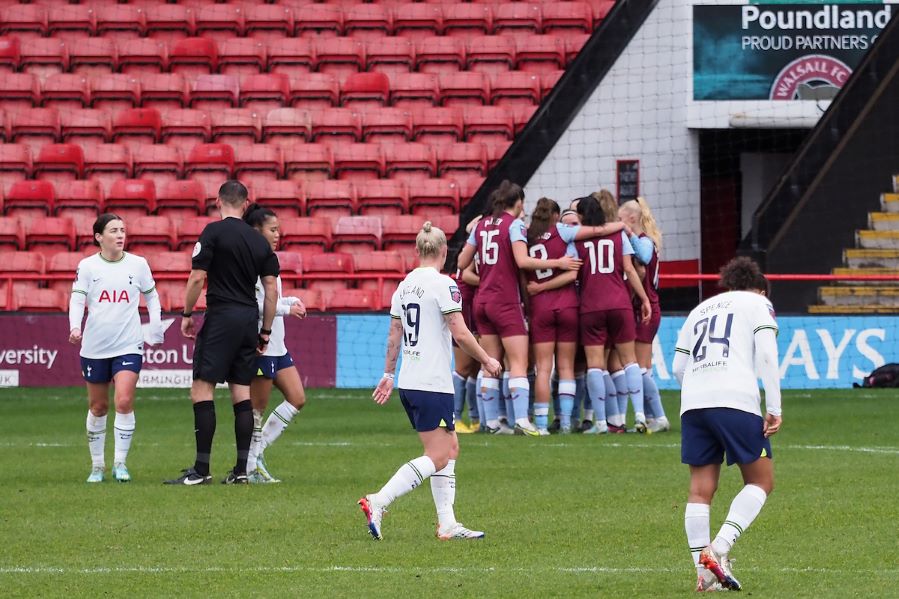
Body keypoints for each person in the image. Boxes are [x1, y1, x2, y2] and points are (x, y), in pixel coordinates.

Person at [358, 222, 502, 541]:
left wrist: (387, 374)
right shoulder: (444, 285)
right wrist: (487, 359)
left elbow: (395, 333)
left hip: (412, 381)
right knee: (437, 455)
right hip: (432, 382)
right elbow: (460, 331)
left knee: (450, 448)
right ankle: (378, 500)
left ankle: (447, 523)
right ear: (443, 252)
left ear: (417, 251)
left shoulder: (404, 285)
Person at [672, 257, 782, 592]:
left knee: (700, 488)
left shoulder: (700, 309)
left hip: (693, 402)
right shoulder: (759, 303)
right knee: (761, 481)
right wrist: (774, 406)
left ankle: (704, 574)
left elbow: (678, 366)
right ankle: (718, 549)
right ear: (760, 287)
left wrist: (699, 390)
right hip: (735, 399)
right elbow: (766, 354)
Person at [165, 181, 279, 485]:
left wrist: (187, 314)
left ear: (218, 202)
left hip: (221, 316)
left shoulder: (212, 233)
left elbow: (197, 277)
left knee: (202, 389)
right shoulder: (259, 242)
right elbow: (271, 291)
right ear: (245, 204)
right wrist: (265, 331)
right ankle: (241, 471)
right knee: (241, 391)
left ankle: (201, 470)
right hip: (247, 320)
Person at [456, 180, 581, 436]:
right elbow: (522, 260)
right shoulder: (514, 225)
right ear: (519, 202)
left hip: (483, 301)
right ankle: (522, 421)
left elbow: (460, 261)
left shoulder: (480, 225)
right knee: (518, 363)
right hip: (505, 301)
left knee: (489, 362)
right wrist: (559, 261)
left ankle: (491, 423)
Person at [69, 214, 164, 483]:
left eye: (123, 230)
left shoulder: (138, 264)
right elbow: (77, 301)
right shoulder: (87, 266)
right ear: (99, 237)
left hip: (128, 344)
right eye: (113, 230)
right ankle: (97, 465)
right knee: (98, 406)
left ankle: (120, 464)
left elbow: (152, 297)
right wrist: (75, 327)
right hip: (95, 346)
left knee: (123, 400)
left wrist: (155, 326)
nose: (120, 235)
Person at [524, 198, 626, 434]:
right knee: (567, 367)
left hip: (541, 307)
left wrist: (536, 290)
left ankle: (540, 424)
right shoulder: (562, 231)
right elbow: (593, 235)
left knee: (543, 368)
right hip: (568, 306)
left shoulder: (526, 236)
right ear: (555, 216)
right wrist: (621, 225)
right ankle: (567, 422)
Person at [241, 204, 308, 484]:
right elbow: (251, 305)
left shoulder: (268, 258)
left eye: (278, 228)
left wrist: (289, 301)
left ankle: (257, 455)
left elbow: (271, 299)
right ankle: (248, 467)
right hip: (261, 344)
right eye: (273, 229)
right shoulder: (248, 262)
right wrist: (285, 310)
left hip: (277, 345)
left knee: (297, 398)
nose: (278, 234)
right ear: (256, 231)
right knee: (256, 411)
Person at [574, 197, 651, 434]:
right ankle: (639, 417)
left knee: (595, 365)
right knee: (630, 361)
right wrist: (644, 299)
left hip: (591, 306)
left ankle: (599, 422)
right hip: (620, 304)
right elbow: (629, 268)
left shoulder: (577, 239)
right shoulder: (619, 236)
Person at [619, 197, 669, 433]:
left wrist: (627, 232)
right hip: (646, 307)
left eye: (620, 220)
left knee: (639, 367)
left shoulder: (644, 241)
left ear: (630, 219)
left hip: (646, 308)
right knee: (644, 367)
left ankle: (658, 416)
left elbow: (646, 258)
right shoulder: (643, 241)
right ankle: (652, 416)